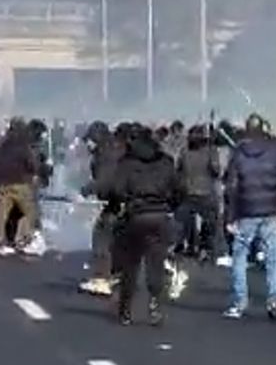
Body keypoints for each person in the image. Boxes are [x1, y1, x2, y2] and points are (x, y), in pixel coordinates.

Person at [222, 114, 276, 321]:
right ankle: (274, 299)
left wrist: (230, 216)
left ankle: (240, 302)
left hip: (246, 210)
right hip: (271, 209)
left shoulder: (238, 152)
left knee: (239, 257)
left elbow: (231, 187)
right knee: (274, 258)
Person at [109, 127, 184, 326]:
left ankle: (125, 309)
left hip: (136, 215)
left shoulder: (127, 162)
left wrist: (124, 202)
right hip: (160, 214)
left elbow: (116, 189)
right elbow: (179, 188)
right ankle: (155, 306)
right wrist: (170, 206)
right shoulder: (166, 161)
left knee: (131, 265)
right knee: (156, 264)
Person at [79, 122, 125, 296]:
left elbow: (105, 181)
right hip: (126, 200)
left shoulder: (106, 155)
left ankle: (101, 279)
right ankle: (118, 274)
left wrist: (86, 191)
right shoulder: (116, 149)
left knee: (101, 236)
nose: (88, 145)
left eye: (90, 140)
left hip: (118, 201)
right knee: (119, 239)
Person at [0, 121, 41, 255]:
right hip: (20, 183)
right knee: (29, 212)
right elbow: (32, 165)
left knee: (2, 215)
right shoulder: (24, 146)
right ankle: (24, 240)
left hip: (3, 185)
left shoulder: (2, 146)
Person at [176, 124, 226, 265]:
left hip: (188, 192)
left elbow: (178, 170)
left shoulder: (184, 151)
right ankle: (205, 248)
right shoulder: (210, 151)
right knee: (210, 221)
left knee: (184, 220)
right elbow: (216, 171)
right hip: (206, 193)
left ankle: (188, 245)